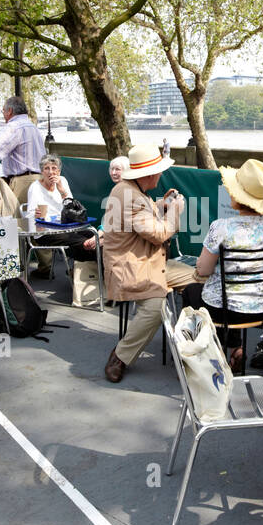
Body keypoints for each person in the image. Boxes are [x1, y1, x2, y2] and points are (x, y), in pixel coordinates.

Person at [183, 159, 263, 373]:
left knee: (192, 293)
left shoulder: (221, 227)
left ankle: (201, 359)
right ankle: (236, 349)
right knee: (226, 294)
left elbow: (203, 270)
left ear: (237, 195)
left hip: (225, 310)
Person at [102, 143, 184, 382]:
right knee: (155, 308)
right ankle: (120, 356)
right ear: (149, 174)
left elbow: (143, 215)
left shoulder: (131, 190)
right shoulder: (130, 195)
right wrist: (175, 211)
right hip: (133, 267)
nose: (161, 174)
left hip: (148, 262)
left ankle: (190, 347)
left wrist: (162, 206)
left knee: (199, 277)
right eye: (159, 170)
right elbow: (159, 234)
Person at [0, 95, 46, 208]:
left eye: (3, 111)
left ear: (9, 111)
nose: (3, 115)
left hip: (22, 183)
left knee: (18, 222)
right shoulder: (34, 128)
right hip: (40, 180)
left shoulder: (14, 127)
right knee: (35, 220)